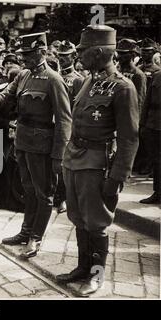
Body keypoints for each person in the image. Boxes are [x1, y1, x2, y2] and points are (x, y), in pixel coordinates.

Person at [55, 25, 139, 297]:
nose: (79, 54)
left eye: (83, 50)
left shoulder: (123, 88)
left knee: (97, 222)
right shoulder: (88, 81)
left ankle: (96, 276)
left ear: (101, 52)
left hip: (97, 164)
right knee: (78, 217)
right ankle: (82, 267)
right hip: (75, 160)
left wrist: (116, 178)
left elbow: (129, 138)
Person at [0, 32, 72, 259]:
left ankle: (36, 237)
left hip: (42, 145)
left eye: (30, 54)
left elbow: (64, 119)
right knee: (28, 188)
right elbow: (7, 94)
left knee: (44, 194)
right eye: (23, 54)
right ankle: (25, 231)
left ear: (42, 52)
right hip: (22, 141)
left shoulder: (54, 79)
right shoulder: (23, 75)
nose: (25, 59)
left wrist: (58, 155)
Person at [55, 40, 85, 214]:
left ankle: (64, 198)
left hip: (68, 127)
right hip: (52, 124)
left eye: (65, 57)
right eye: (60, 56)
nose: (62, 59)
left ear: (74, 57)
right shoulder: (54, 76)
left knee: (64, 164)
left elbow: (77, 108)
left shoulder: (78, 81)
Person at [116, 39, 148, 175]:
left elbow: (140, 100)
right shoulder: (117, 72)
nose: (120, 56)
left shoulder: (138, 75)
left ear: (132, 55)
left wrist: (137, 122)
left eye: (124, 54)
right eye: (119, 53)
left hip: (130, 115)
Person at [139, 70, 161, 204]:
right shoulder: (157, 76)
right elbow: (147, 101)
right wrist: (143, 124)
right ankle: (158, 192)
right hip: (153, 125)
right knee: (157, 161)